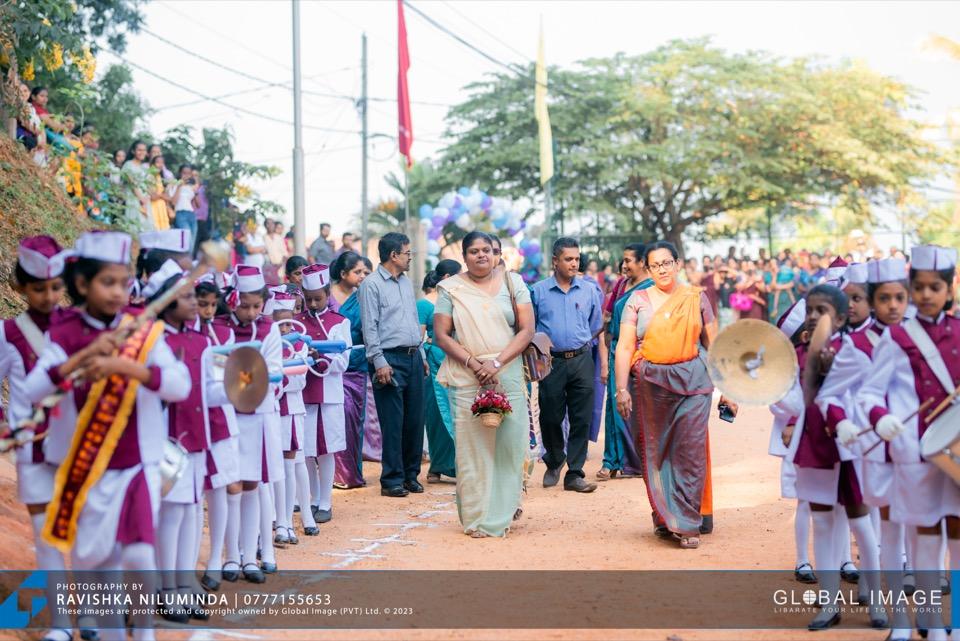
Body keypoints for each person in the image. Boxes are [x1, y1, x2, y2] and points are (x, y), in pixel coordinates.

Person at [25, 231, 190, 638]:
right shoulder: (62, 333)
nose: (118, 292)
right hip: (87, 467)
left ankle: (146, 631)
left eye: (123, 282)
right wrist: (80, 359)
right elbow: (32, 390)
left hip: (136, 463)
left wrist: (127, 368)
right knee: (101, 566)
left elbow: (179, 384)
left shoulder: (141, 331)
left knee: (137, 551)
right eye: (107, 282)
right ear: (82, 284)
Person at [856, 246, 960, 640]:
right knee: (928, 543)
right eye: (920, 288)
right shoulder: (897, 338)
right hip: (916, 455)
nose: (928, 294)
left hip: (956, 453)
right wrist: (882, 422)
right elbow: (869, 395)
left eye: (936, 287)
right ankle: (932, 626)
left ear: (949, 289)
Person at [821, 258, 911, 638]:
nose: (892, 305)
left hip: (917, 448)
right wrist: (842, 422)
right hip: (865, 444)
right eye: (883, 297)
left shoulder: (927, 338)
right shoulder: (853, 343)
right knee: (877, 525)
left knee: (924, 534)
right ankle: (883, 603)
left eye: (899, 296)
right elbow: (830, 395)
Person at [613, 241, 720, 549]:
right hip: (651, 385)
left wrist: (729, 390)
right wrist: (622, 390)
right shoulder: (637, 300)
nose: (662, 269)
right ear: (648, 270)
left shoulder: (696, 297)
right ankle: (664, 515)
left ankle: (686, 523)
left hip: (695, 382)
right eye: (655, 265)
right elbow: (624, 346)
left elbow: (715, 345)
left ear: (677, 264)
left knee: (689, 451)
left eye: (666, 263)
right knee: (657, 453)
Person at [434, 232, 534, 537]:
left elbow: (527, 329)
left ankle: (500, 516)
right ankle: (477, 518)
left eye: (487, 250)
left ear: (496, 254)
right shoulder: (450, 288)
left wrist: (497, 363)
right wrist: (476, 364)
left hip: (508, 372)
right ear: (464, 257)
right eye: (474, 251)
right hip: (467, 375)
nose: (481, 255)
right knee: (473, 449)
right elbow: (442, 334)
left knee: (510, 446)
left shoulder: (513, 283)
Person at [0, 237, 73, 641]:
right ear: (20, 288)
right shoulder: (8, 333)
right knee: (46, 534)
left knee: (88, 532)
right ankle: (61, 623)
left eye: (55, 287)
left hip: (79, 445)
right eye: (38, 288)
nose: (48, 296)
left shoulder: (78, 327)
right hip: (31, 449)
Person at [146, 261, 221, 624]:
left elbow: (208, 389)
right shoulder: (151, 339)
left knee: (188, 511)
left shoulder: (201, 340)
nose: (194, 302)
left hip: (194, 436)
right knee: (170, 515)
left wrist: (243, 388)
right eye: (187, 297)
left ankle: (181, 582)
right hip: (164, 438)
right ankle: (165, 588)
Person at [213, 265, 282, 583]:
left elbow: (274, 370)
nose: (252, 312)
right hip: (227, 415)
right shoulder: (218, 329)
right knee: (231, 484)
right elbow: (216, 369)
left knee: (253, 483)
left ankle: (251, 557)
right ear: (232, 300)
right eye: (245, 305)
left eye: (257, 306)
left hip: (259, 414)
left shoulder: (270, 330)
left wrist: (247, 379)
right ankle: (230, 556)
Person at [530, 237, 603, 493]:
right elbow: (531, 328)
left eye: (577, 258)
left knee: (581, 417)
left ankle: (574, 473)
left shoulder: (589, 290)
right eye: (568, 259)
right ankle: (554, 459)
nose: (574, 263)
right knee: (550, 415)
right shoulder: (537, 292)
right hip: (551, 362)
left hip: (582, 359)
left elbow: (595, 327)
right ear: (555, 261)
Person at [358, 232, 426, 497]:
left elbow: (411, 320)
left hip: (412, 356)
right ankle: (392, 479)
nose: (410, 257)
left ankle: (411, 475)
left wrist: (419, 353)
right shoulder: (371, 284)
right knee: (392, 421)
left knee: (414, 419)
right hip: (388, 359)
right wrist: (379, 361)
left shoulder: (406, 282)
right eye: (407, 253)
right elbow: (369, 326)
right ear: (394, 255)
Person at [295, 264, 351, 522]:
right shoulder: (295, 324)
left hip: (329, 395)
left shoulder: (340, 323)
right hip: (303, 395)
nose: (313, 304)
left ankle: (326, 501)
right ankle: (312, 498)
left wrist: (323, 358)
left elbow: (344, 361)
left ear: (328, 293)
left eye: (318, 298)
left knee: (327, 449)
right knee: (306, 448)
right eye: (309, 300)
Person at [597, 243, 652, 481]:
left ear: (642, 263)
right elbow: (606, 318)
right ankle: (611, 461)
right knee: (614, 407)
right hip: (617, 350)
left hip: (640, 352)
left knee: (639, 407)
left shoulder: (652, 289)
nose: (624, 265)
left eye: (629, 260)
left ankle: (639, 461)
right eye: (624, 260)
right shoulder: (621, 284)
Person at [330, 252, 373, 489]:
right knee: (335, 418)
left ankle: (351, 473)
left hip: (356, 362)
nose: (362, 276)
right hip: (330, 364)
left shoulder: (363, 298)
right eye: (358, 272)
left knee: (355, 418)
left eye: (365, 272)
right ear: (343, 273)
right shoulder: (324, 297)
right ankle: (335, 472)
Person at [419, 259, 462, 484]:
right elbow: (418, 338)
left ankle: (459, 467)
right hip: (433, 366)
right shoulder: (425, 304)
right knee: (436, 417)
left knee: (459, 415)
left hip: (457, 363)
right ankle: (437, 466)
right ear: (447, 278)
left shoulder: (458, 301)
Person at [122, 140, 151, 230]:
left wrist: (146, 199)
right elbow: (133, 184)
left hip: (145, 201)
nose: (142, 152)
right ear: (133, 151)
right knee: (134, 227)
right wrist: (141, 199)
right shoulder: (128, 165)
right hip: (133, 200)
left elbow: (148, 185)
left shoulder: (144, 167)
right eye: (139, 150)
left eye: (144, 150)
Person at [170, 165, 198, 246]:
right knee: (186, 241)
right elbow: (174, 202)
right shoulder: (175, 185)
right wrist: (179, 186)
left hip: (192, 214)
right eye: (184, 173)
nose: (186, 175)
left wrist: (195, 188)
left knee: (192, 241)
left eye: (189, 173)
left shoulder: (190, 187)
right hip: (180, 213)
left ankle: (189, 258)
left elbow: (197, 204)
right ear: (180, 173)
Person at [148, 155, 173, 231]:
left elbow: (169, 198)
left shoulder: (161, 177)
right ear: (152, 164)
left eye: (162, 163)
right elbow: (153, 197)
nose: (160, 165)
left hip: (162, 207)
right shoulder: (150, 176)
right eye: (158, 162)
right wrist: (162, 196)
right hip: (153, 207)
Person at [265, 220, 289, 286]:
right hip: (268, 270)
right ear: (265, 226)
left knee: (280, 289)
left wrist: (281, 264)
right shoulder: (263, 238)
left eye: (271, 224)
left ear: (274, 226)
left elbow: (285, 254)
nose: (270, 226)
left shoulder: (279, 238)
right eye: (268, 224)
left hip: (280, 269)